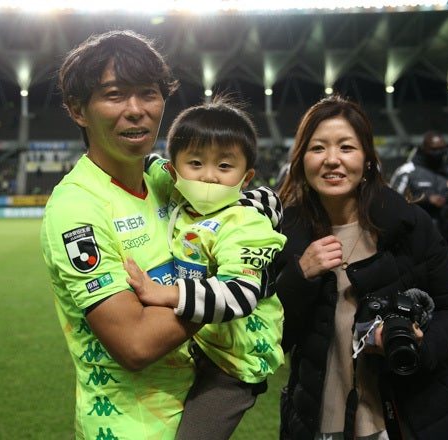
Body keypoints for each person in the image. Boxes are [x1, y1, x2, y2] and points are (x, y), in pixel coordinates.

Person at [271, 95, 448, 440]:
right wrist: (301, 275)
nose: (332, 160)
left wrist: (418, 348)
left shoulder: (408, 223)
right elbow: (272, 338)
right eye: (317, 148)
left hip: (409, 416)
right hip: (320, 419)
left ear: (368, 159)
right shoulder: (284, 233)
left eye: (346, 147)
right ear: (300, 161)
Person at [39, 30, 200, 440]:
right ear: (78, 110)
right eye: (114, 95)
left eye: (148, 93)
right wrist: (233, 286)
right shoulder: (77, 208)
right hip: (130, 428)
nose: (136, 110)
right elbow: (136, 343)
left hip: (198, 415)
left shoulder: (166, 178)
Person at [124, 97, 287, 439]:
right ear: (175, 170)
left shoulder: (245, 223)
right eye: (196, 163)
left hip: (233, 364)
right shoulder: (181, 195)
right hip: (196, 345)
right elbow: (147, 161)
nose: (209, 176)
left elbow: (240, 296)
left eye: (225, 166)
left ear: (247, 177)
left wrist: (164, 294)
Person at [389, 131, 448, 266]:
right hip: (414, 246)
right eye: (435, 149)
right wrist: (426, 199)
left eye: (443, 149)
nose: (440, 152)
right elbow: (393, 203)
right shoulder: (407, 171)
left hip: (445, 246)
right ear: (424, 149)